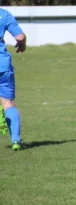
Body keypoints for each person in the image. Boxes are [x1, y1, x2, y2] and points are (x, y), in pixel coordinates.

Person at [0, 8, 27, 150]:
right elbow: (20, 37)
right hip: (3, 64)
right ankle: (16, 140)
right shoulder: (4, 14)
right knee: (8, 103)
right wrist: (23, 45)